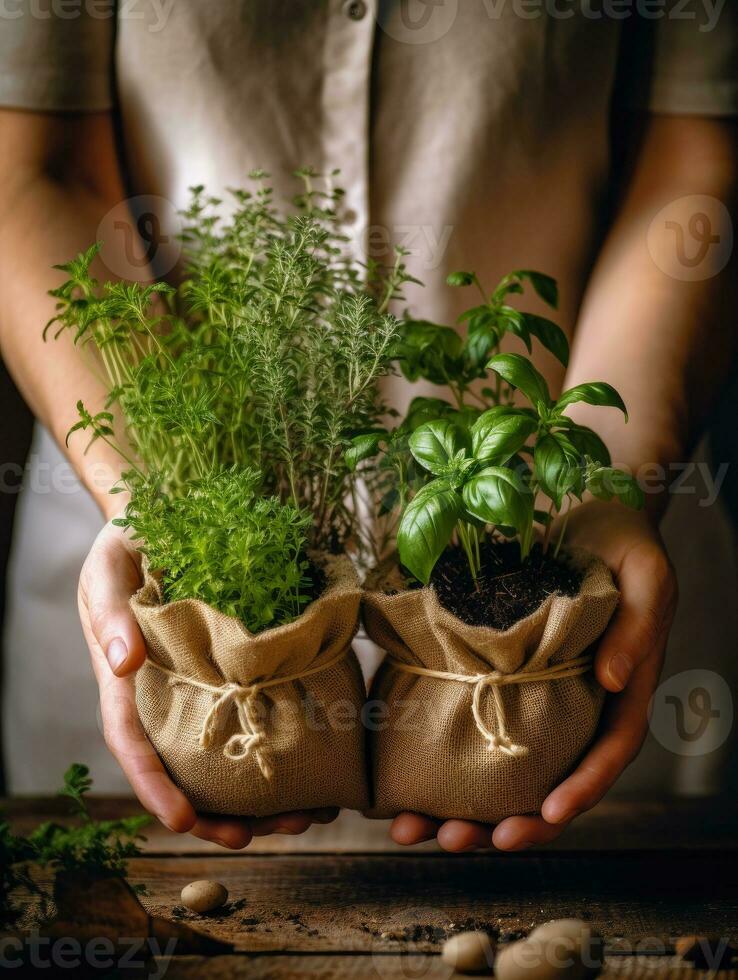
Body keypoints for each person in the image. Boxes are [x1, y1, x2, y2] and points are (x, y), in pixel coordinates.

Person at [0, 2, 737, 851]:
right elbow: (42, 169)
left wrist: (609, 494)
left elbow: (689, 164)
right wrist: (157, 501)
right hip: (141, 544)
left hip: (586, 526)